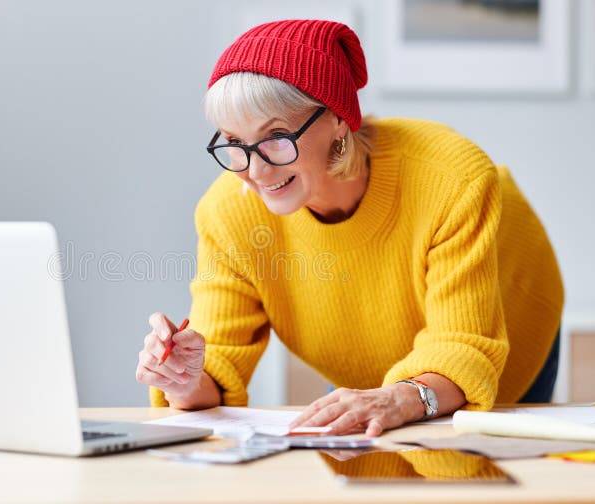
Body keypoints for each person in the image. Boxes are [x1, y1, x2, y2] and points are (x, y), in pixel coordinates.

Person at [134, 19, 563, 436]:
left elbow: (464, 345)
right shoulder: (227, 213)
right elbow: (218, 367)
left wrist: (400, 398)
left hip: (502, 331)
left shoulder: (451, 179)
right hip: (366, 361)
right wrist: (183, 379)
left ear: (338, 118)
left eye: (277, 136)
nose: (255, 168)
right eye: (233, 143)